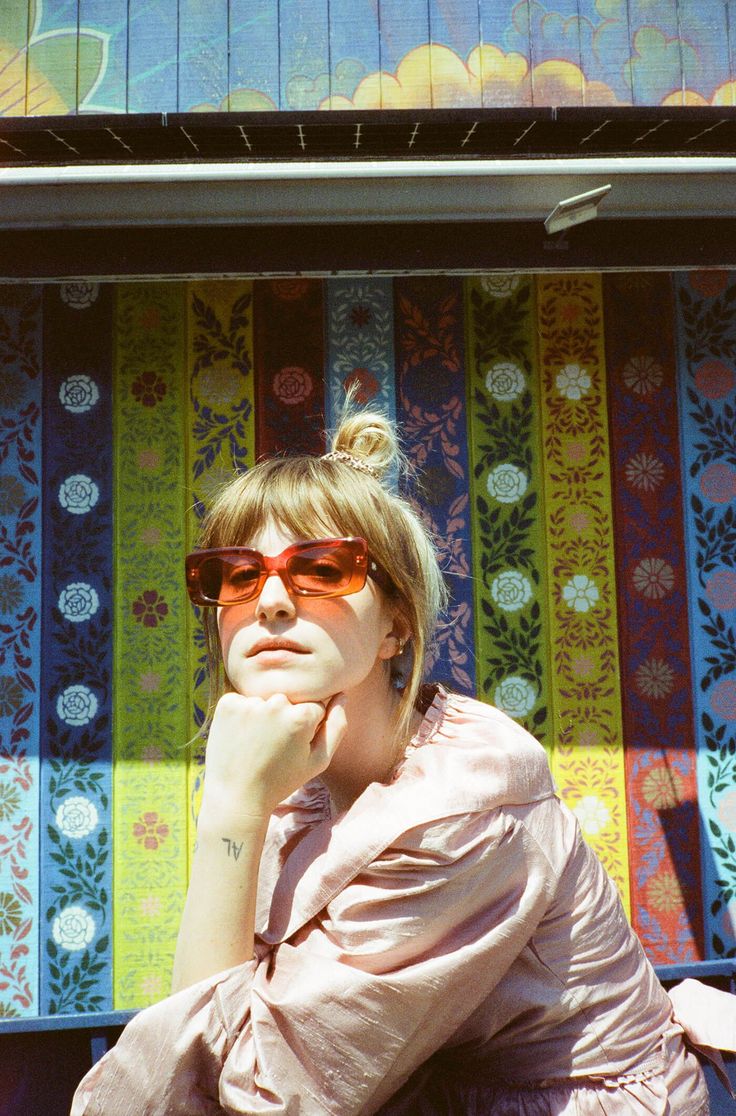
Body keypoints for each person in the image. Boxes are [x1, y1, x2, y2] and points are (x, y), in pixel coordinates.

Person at [71, 405, 730, 1115]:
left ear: (396, 624)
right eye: (234, 574)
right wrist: (241, 801)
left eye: (320, 568)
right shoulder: (290, 774)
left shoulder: (460, 805)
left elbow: (245, 1098)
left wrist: (231, 807)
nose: (269, 601)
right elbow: (208, 1044)